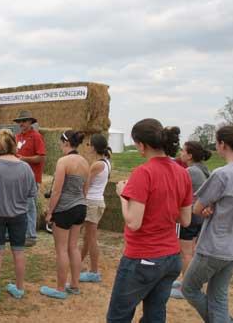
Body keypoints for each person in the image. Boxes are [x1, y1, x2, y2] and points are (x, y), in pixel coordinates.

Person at [106, 118, 192, 322]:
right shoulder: (182, 173)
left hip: (142, 258)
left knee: (118, 316)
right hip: (171, 258)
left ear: (142, 145)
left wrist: (121, 195)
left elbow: (133, 222)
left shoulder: (143, 173)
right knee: (155, 314)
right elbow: (185, 219)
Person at [182, 126, 233, 322]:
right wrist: (209, 207)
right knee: (218, 298)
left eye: (216, 142)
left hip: (215, 246)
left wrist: (205, 207)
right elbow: (225, 204)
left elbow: (197, 208)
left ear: (222, 144)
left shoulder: (222, 173)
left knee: (188, 288)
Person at [0, 129, 36, 300]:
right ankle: (20, 288)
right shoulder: (25, 167)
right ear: (14, 143)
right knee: (19, 252)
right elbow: (31, 193)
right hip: (19, 215)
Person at [40, 130, 89, 299]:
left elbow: (56, 190)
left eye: (61, 142)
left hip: (65, 209)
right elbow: (85, 190)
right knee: (73, 247)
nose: (60, 146)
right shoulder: (85, 162)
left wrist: (50, 211)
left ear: (66, 143)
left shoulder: (63, 161)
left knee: (61, 249)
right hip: (81, 207)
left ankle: (60, 289)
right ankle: (74, 285)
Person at [170, 141, 211, 299]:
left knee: (185, 253)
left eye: (183, 150)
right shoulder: (202, 168)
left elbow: (177, 191)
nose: (181, 152)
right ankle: (186, 283)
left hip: (189, 216)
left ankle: (184, 289)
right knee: (191, 252)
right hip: (199, 216)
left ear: (190, 155)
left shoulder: (190, 171)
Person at [80, 134, 111, 283]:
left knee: (91, 238)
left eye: (89, 145)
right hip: (97, 201)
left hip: (92, 202)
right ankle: (78, 262)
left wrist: (80, 199)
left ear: (93, 147)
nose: (88, 147)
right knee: (88, 237)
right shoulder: (106, 162)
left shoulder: (97, 164)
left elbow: (86, 185)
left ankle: (94, 271)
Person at [14, 110, 46, 247]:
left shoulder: (36, 136)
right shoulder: (17, 137)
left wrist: (24, 159)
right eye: (20, 121)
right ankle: (21, 233)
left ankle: (31, 235)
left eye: (24, 121)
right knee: (20, 206)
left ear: (30, 122)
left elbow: (42, 157)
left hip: (31, 177)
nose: (21, 124)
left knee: (29, 206)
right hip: (18, 177)